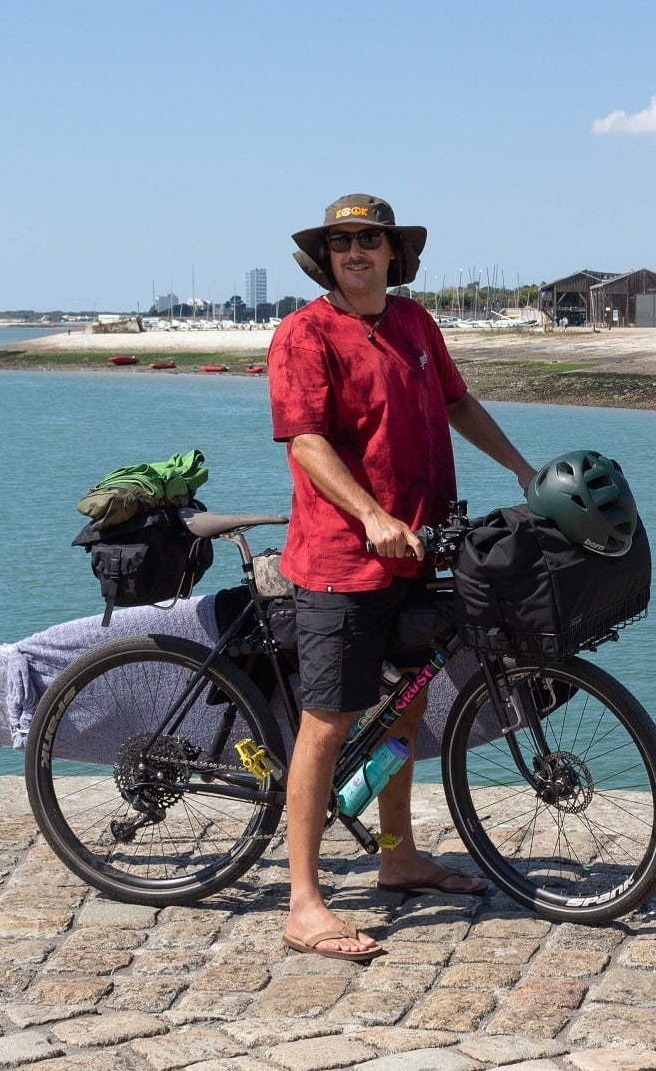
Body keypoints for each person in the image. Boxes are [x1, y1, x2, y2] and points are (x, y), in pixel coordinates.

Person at [270, 194, 536, 961]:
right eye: (342, 240)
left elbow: (457, 402)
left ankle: (397, 853)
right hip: (341, 560)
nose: (356, 250)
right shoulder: (305, 332)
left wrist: (521, 466)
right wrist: (371, 515)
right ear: (327, 256)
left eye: (370, 239)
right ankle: (304, 901)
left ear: (393, 252)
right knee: (329, 720)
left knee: (406, 712)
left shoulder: (416, 324)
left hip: (421, 551)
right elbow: (307, 443)